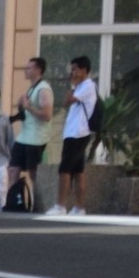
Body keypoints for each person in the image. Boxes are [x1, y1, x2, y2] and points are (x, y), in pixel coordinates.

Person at [54, 55, 99, 216]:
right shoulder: (81, 86)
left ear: (84, 70)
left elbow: (68, 101)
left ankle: (60, 205)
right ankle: (79, 207)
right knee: (79, 171)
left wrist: (72, 86)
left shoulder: (87, 85)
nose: (72, 72)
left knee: (64, 169)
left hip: (78, 133)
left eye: (74, 69)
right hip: (74, 132)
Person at [9, 56, 53, 214]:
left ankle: (35, 204)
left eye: (29, 68)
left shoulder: (44, 89)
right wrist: (22, 105)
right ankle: (13, 200)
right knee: (13, 169)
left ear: (38, 70)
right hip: (24, 136)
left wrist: (29, 108)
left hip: (36, 138)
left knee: (32, 173)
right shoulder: (31, 88)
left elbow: (47, 115)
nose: (26, 71)